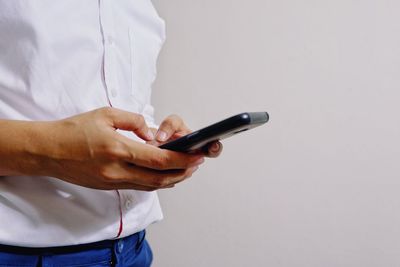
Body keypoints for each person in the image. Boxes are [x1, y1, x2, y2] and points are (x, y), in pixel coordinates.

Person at [0, 1, 222, 266]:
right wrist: (52, 152)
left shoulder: (139, 8)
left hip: (134, 250)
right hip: (19, 254)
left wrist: (157, 144)